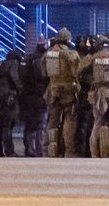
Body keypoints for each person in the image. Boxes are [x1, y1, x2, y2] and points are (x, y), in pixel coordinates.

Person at [40, 28, 81, 157]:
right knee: (69, 119)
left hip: (52, 90)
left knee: (52, 120)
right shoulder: (70, 53)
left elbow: (43, 73)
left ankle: (49, 150)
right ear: (68, 40)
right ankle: (69, 151)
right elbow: (77, 72)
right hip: (68, 91)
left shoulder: (48, 53)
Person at [82, 38, 109, 158]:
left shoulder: (94, 57)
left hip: (98, 94)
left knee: (98, 122)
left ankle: (94, 152)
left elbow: (79, 69)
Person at [19, 38, 49, 158]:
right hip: (39, 95)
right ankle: (39, 150)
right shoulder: (42, 59)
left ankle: (29, 150)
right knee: (40, 124)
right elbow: (42, 76)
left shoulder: (28, 58)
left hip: (27, 96)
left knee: (29, 124)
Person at [0, 47, 23, 157]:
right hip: (9, 97)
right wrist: (21, 88)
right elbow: (14, 77)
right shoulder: (13, 64)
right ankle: (9, 151)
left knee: (0, 126)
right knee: (7, 126)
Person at [73, 34, 96, 157]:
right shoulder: (90, 57)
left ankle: (82, 148)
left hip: (86, 92)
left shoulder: (88, 57)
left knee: (84, 121)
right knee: (87, 121)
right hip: (88, 92)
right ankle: (85, 148)